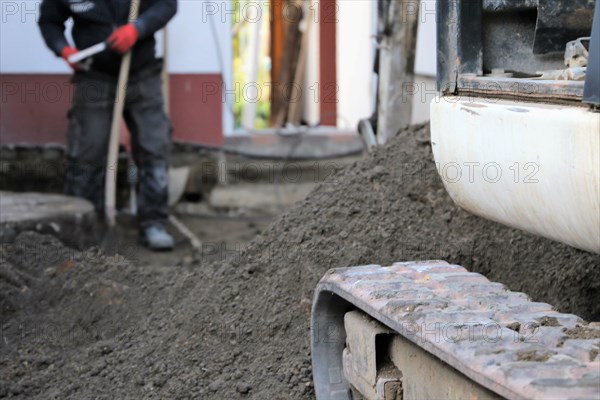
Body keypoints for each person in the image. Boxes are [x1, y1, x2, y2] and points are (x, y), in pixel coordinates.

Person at [38, 0, 177, 250]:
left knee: (153, 146)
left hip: (142, 71)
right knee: (86, 152)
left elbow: (167, 4)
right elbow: (49, 20)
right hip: (93, 75)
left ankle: (153, 222)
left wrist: (138, 28)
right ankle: (83, 226)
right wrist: (63, 49)